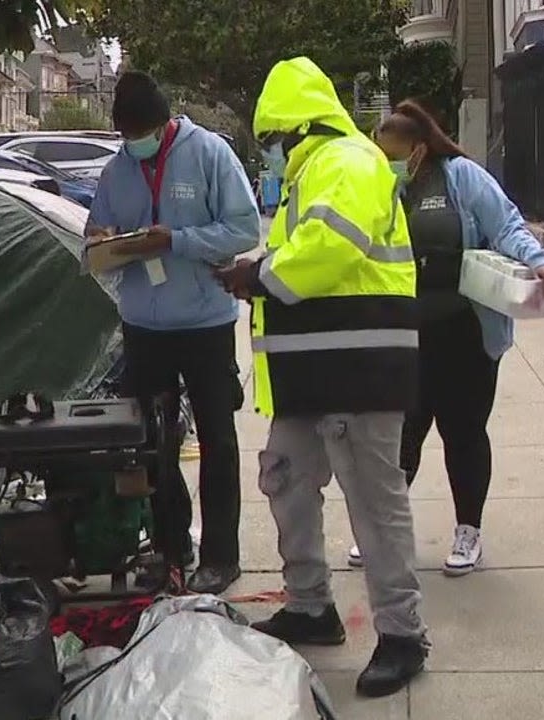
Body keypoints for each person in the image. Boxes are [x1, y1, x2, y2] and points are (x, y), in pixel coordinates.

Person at [215, 56, 426, 699]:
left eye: (274, 141)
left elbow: (329, 249)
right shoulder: (314, 174)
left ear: (299, 129)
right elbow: (302, 249)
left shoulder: (346, 163)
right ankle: (311, 605)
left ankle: (401, 635)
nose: (272, 154)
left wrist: (258, 276)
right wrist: (258, 264)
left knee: (374, 504)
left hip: (359, 372)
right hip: (315, 374)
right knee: (285, 478)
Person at [346, 100, 544, 574]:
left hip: (464, 331)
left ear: (420, 150)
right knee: (401, 433)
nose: (389, 164)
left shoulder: (461, 178)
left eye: (395, 155)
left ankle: (469, 531)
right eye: (381, 156)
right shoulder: (379, 189)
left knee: (463, 433)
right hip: (405, 330)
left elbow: (505, 225)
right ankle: (383, 526)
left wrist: (540, 261)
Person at [86, 71, 260, 595]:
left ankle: (221, 556)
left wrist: (176, 240)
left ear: (165, 124)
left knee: (216, 440)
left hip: (205, 323)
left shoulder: (208, 154)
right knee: (152, 444)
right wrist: (105, 242)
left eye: (141, 133)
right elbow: (93, 237)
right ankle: (170, 543)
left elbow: (244, 228)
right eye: (126, 135)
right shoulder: (117, 171)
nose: (133, 143)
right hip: (144, 326)